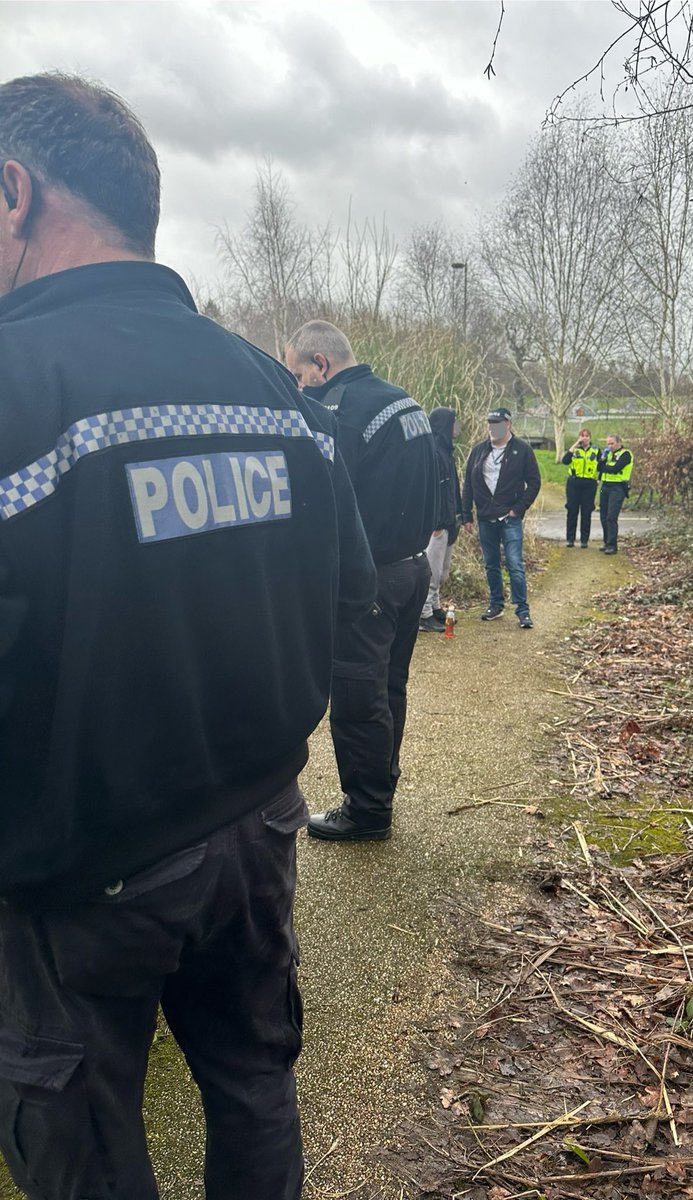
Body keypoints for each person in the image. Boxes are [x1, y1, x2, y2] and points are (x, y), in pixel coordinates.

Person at [0, 73, 376, 1200]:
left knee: (87, 1147)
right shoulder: (271, 386)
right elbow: (350, 592)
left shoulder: (18, 390)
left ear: (13, 191)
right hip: (258, 829)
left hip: (79, 882)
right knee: (256, 1085)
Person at [285, 321, 438, 841]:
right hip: (414, 567)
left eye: (299, 373)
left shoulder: (343, 411)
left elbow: (330, 502)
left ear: (321, 363)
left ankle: (368, 809)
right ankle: (382, 785)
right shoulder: (405, 402)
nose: (299, 385)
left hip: (371, 576)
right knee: (389, 686)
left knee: (357, 697)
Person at [461, 406, 541, 629]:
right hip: (486, 517)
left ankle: (522, 610)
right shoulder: (478, 451)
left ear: (508, 424)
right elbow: (468, 484)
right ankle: (496, 604)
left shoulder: (522, 450)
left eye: (496, 423)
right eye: (489, 423)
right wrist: (466, 515)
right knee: (491, 564)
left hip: (510, 517)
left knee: (515, 564)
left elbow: (534, 482)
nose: (492, 428)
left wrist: (518, 508)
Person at [419, 406, 462, 633]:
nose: (457, 427)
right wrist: (435, 521)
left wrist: (460, 516)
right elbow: (431, 490)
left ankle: (434, 607)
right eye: (454, 422)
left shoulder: (446, 450)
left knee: (442, 571)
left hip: (448, 521)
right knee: (432, 570)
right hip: (438, 523)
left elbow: (452, 488)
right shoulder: (433, 451)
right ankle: (424, 613)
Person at [561, 427, 599, 548]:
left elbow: (602, 465)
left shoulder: (596, 450)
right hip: (574, 483)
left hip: (589, 484)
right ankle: (570, 539)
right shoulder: (575, 450)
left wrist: (599, 479)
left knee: (586, 512)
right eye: (582, 436)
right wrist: (576, 444)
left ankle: (584, 540)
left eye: (587, 436)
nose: (585, 438)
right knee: (572, 511)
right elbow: (565, 461)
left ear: (590, 438)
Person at [598, 433, 634, 555]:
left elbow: (615, 469)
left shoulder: (625, 454)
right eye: (608, 443)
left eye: (612, 443)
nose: (609, 446)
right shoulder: (608, 454)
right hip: (605, 485)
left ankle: (612, 545)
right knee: (603, 516)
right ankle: (606, 541)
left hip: (618, 487)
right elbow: (599, 467)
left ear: (619, 442)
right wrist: (603, 459)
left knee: (611, 517)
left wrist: (604, 466)